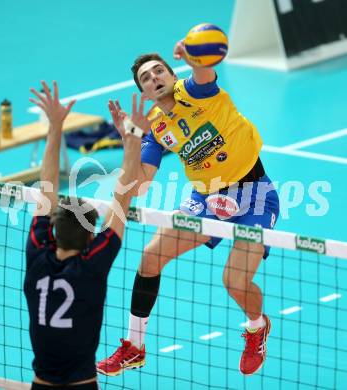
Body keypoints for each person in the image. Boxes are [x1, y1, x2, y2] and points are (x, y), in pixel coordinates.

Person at [96, 39, 280, 377]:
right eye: (146, 78)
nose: (154, 78)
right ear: (145, 93)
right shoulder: (155, 128)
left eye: (159, 71)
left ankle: (257, 326)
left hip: (253, 194)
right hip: (207, 198)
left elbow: (205, 72)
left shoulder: (195, 91)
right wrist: (130, 142)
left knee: (235, 281)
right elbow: (139, 186)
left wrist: (193, 54)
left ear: (172, 73)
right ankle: (135, 347)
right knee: (150, 259)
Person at [24, 81, 146, 389]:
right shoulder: (92, 267)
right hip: (82, 383)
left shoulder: (38, 254)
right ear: (91, 239)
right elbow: (123, 193)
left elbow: (47, 186)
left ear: (53, 229)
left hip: (42, 383)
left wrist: (55, 126)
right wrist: (132, 139)